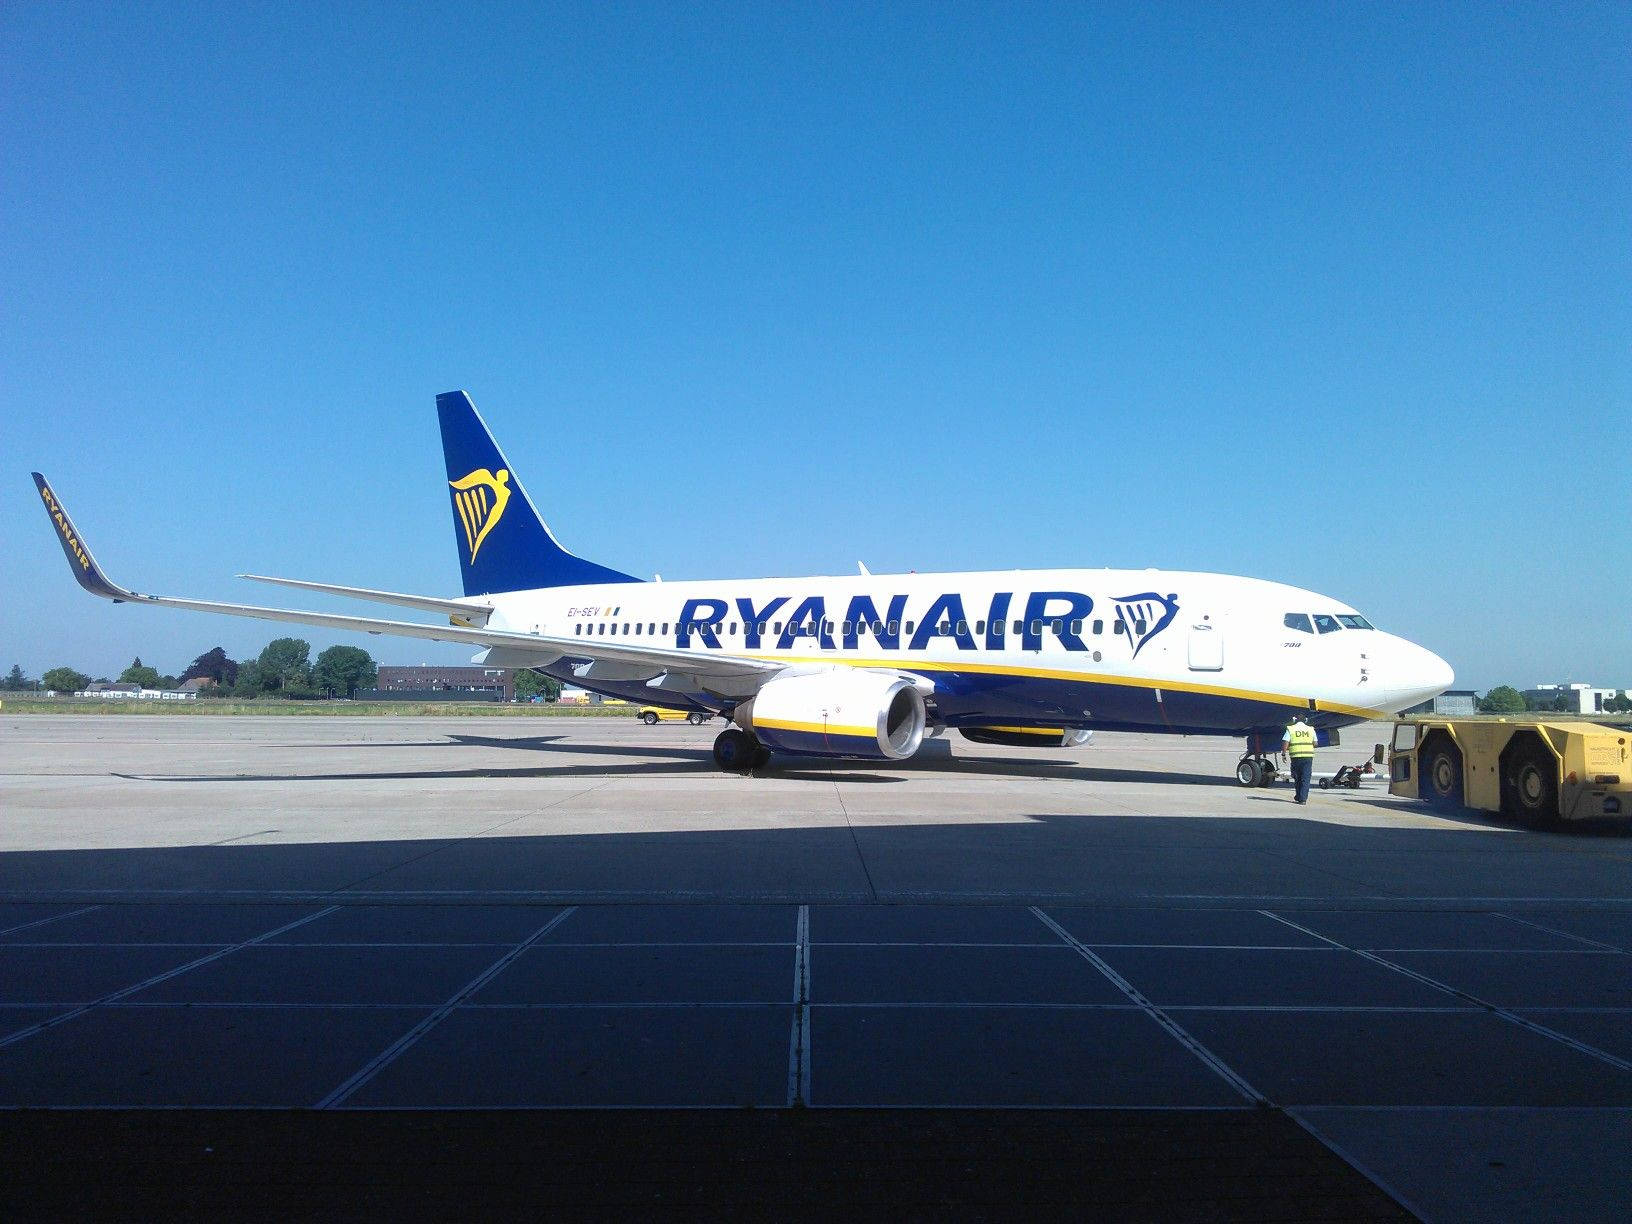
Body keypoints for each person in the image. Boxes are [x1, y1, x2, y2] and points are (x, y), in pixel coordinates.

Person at [1283, 714, 1317, 803]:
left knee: (1297, 777)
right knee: (1305, 778)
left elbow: (1286, 741)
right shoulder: (1310, 729)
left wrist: (1283, 753)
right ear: (1305, 720)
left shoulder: (1291, 729)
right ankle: (1303, 799)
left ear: (1295, 720)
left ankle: (1299, 796)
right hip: (1308, 757)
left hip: (1296, 757)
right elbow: (1315, 743)